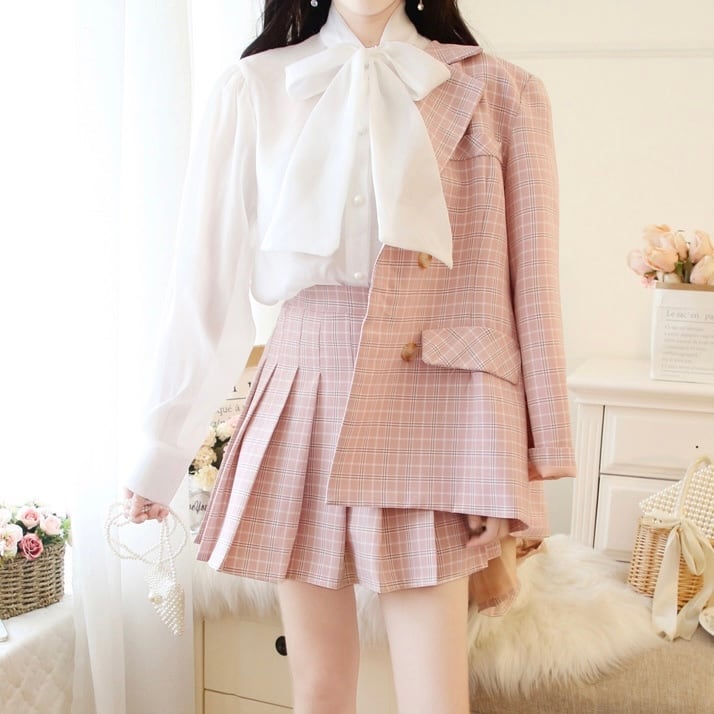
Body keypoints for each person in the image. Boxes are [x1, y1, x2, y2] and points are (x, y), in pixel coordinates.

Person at [124, 1, 576, 713]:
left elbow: (532, 292)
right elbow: (203, 288)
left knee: (435, 699)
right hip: (303, 391)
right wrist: (161, 449)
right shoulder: (252, 87)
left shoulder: (503, 91)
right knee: (319, 689)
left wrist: (520, 469)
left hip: (441, 407)